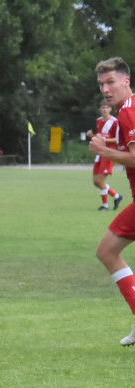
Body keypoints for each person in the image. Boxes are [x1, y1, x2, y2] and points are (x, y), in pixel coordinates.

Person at [89, 57, 135, 345]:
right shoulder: (125, 112)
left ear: (126, 81)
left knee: (107, 251)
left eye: (111, 82)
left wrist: (104, 152)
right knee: (107, 251)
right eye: (101, 84)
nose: (106, 89)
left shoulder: (129, 113)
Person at [87, 99, 124, 211]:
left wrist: (105, 140)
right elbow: (100, 137)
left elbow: (117, 139)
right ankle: (117, 196)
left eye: (107, 107)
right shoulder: (98, 121)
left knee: (100, 181)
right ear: (100, 109)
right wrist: (92, 136)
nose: (105, 109)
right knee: (96, 181)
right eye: (103, 107)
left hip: (108, 153)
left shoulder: (114, 122)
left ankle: (105, 206)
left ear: (110, 109)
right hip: (99, 153)